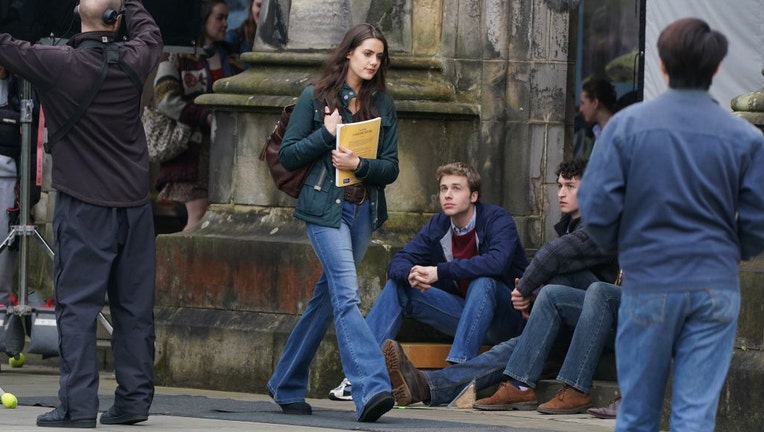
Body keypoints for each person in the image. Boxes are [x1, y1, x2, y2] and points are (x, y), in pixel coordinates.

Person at [577, 18, 764, 432]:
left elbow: (595, 204)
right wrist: (734, 250)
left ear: (661, 66)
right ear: (715, 69)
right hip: (715, 281)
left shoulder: (626, 127)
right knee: (694, 416)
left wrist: (622, 246)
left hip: (651, 278)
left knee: (637, 413)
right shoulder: (745, 138)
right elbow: (758, 219)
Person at [0, 0, 163, 427]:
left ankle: (77, 408)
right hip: (134, 206)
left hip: (85, 206)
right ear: (117, 17)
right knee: (134, 308)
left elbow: (7, 47)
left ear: (79, 12)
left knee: (78, 308)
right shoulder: (137, 55)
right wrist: (127, 5)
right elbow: (152, 32)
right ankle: (132, 403)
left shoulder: (59, 62)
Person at [266, 23, 399, 423]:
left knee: (325, 300)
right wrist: (326, 135)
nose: (373, 62)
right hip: (325, 210)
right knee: (346, 295)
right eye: (366, 54)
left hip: (361, 211)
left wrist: (360, 164)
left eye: (379, 56)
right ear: (348, 55)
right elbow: (288, 156)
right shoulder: (316, 97)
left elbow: (390, 168)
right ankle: (372, 387)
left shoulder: (384, 104)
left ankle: (286, 382)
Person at [329, 162, 528, 402]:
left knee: (483, 282)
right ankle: (360, 374)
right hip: (465, 315)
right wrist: (412, 273)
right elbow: (398, 262)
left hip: (506, 320)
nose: (448, 195)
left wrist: (439, 272)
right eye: (444, 189)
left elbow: (496, 263)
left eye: (456, 188)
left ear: (473, 195)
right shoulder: (440, 225)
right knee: (400, 286)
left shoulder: (497, 219)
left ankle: (456, 375)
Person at [383, 280, 621, 411]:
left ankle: (428, 385)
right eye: (559, 186)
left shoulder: (597, 228)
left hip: (600, 330)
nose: (561, 193)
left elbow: (566, 253)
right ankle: (426, 384)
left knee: (513, 345)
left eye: (570, 187)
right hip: (563, 326)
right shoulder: (570, 226)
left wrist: (529, 283)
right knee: (509, 349)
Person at [154, 0, 243, 231]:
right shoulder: (178, 54)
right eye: (219, 18)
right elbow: (164, 98)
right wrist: (204, 117)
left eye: (226, 17)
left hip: (223, 150)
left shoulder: (230, 56)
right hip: (190, 151)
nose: (225, 24)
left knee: (214, 219)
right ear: (204, 20)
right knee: (198, 215)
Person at [573, 78, 617, 159]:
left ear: (595, 103)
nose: (580, 109)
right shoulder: (597, 132)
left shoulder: (618, 134)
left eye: (583, 103)